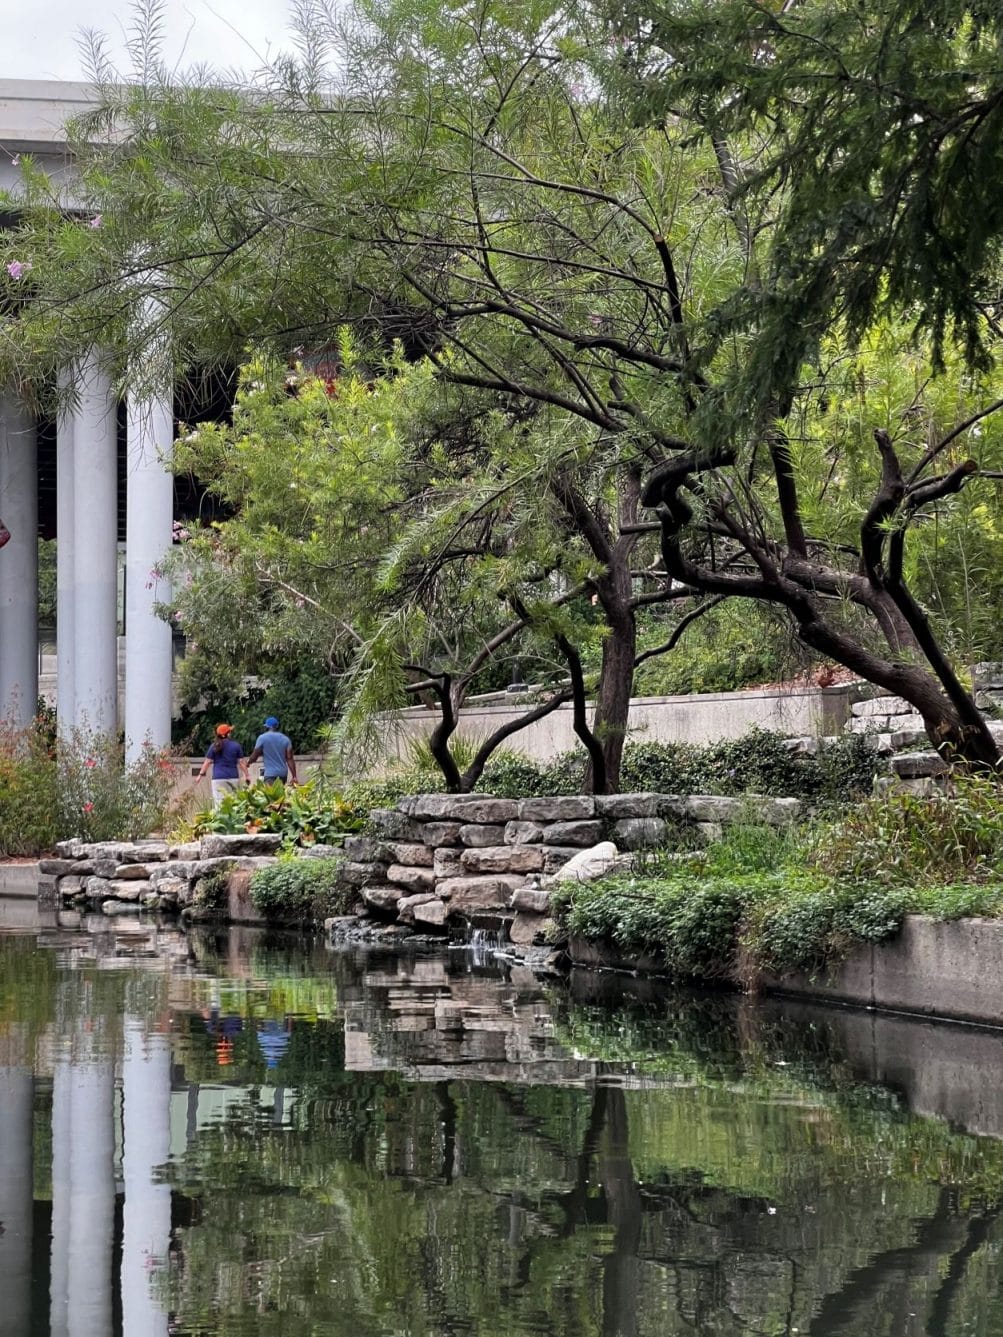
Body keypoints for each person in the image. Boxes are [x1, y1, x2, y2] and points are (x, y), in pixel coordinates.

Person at [196, 723, 249, 806]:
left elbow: (207, 762)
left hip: (218, 779)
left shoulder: (214, 746)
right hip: (233, 777)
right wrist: (247, 775)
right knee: (233, 804)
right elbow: (241, 762)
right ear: (227, 734)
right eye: (230, 732)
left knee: (219, 804)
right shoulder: (236, 746)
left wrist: (200, 775)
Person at [248, 716, 298, 786]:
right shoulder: (286, 739)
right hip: (282, 774)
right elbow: (290, 758)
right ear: (277, 726)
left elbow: (254, 756)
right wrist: (294, 776)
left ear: (267, 726)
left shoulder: (262, 738)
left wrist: (249, 763)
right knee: (281, 795)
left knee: (271, 796)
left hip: (270, 775)